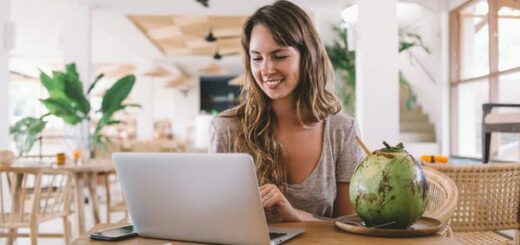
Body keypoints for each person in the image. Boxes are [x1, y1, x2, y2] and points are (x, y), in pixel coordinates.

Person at [209, 0, 364, 222]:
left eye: (279, 56)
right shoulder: (226, 128)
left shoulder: (343, 130)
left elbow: (350, 227)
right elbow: (215, 218)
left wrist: (295, 216)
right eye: (257, 58)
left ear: (307, 57)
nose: (266, 69)